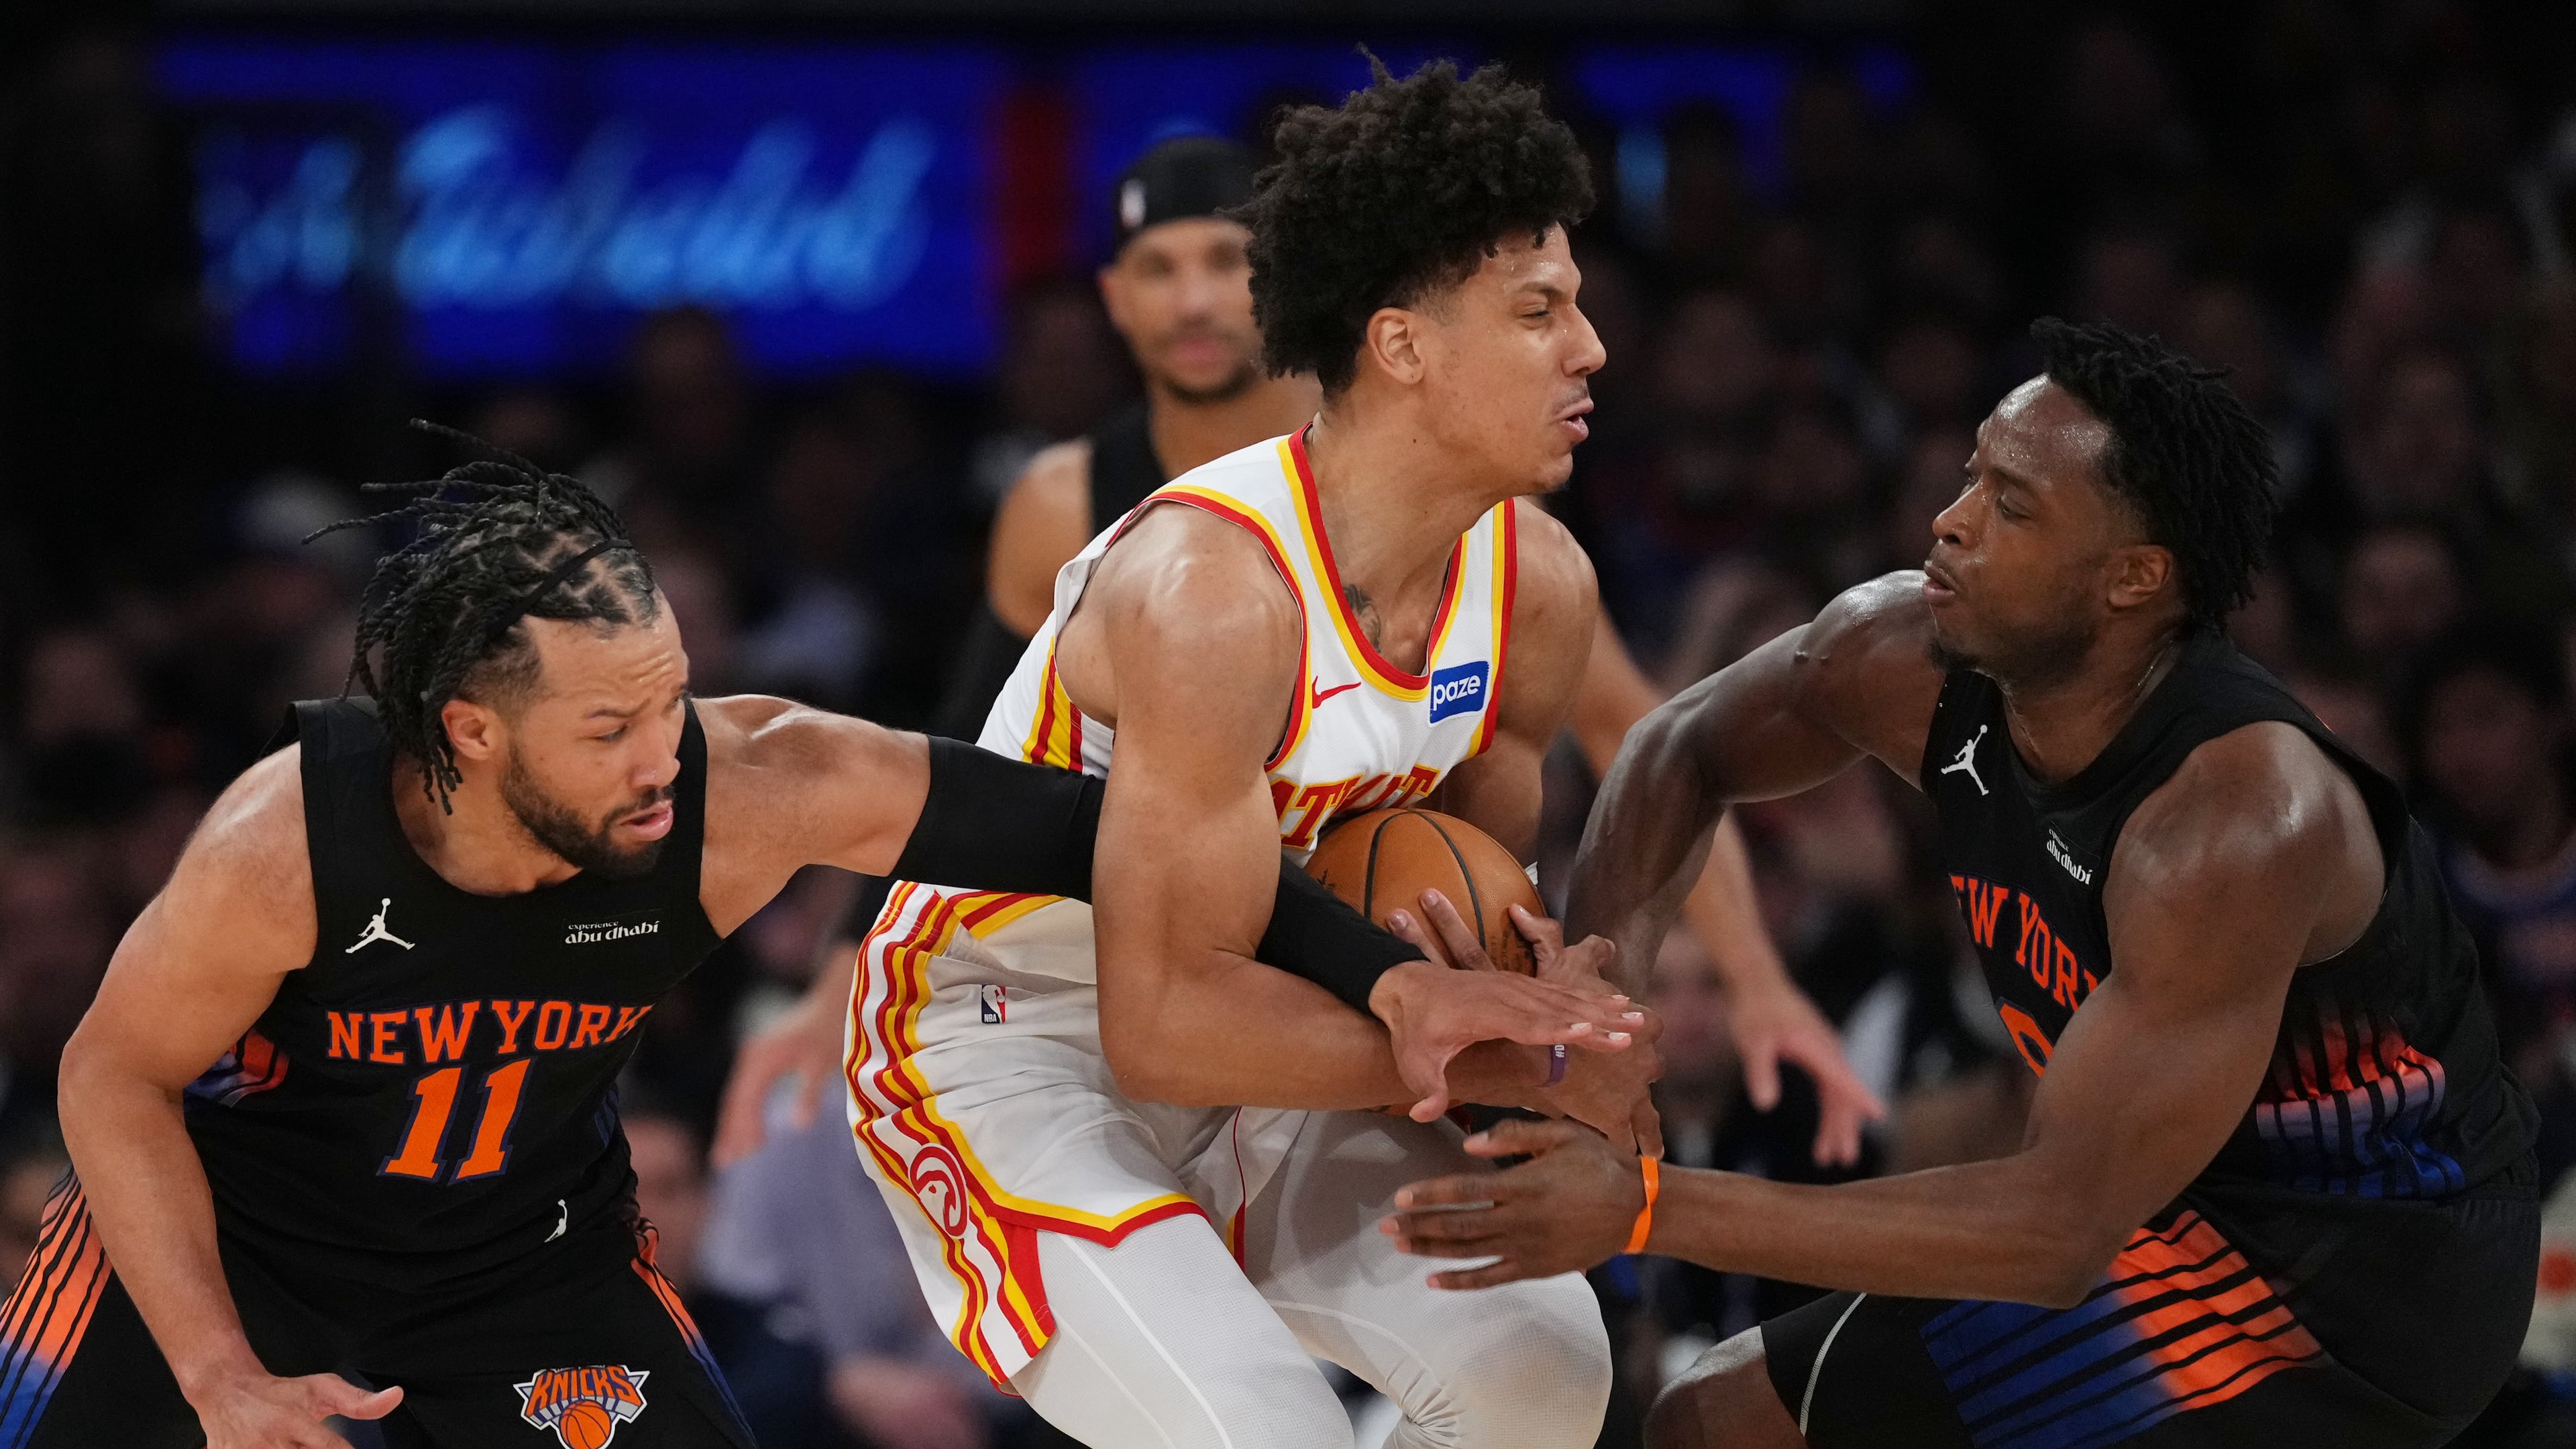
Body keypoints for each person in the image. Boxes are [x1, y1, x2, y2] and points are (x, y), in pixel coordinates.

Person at [25, 437, 1621, 1449]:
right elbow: (110, 1080)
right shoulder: (288, 840)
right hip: (228, 1254)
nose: (666, 754)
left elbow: (1099, 834)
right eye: (611, 727)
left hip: (523, 1260)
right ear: (473, 735)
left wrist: (1388, 976)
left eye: (672, 697)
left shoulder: (754, 784)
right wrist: (221, 1380)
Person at [1381, 320, 2544, 1447]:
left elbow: (2053, 1233)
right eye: (1972, 476)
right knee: (1712, 1421)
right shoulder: (1904, 655)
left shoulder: (2231, 826)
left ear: (2134, 578)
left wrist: (1643, 1202)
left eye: (2012, 506)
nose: (1949, 523)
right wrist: (1601, 1011)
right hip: (2150, 1214)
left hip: (2363, 1290)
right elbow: (1679, 746)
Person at [718, 134, 1874, 1173]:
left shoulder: (1431, 477)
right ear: (1115, 303)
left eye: (1224, 262)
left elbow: (1635, 731)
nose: (1197, 300)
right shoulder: (1081, 504)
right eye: (1160, 271)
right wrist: (842, 977)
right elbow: (975, 754)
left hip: (1294, 957)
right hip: (1075, 971)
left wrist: (1749, 981)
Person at [843, 60, 1656, 1449]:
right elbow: (1156, 1022)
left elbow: (1449, 929)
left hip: (1278, 1035)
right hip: (1010, 1037)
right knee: (1261, 1433)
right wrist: (1490, 1058)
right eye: (1540, 312)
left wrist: (1544, 1010)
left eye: (1574, 304)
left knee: (1545, 1368)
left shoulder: (1538, 589)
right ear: (1402, 346)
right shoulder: (1212, 591)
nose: (1589, 348)